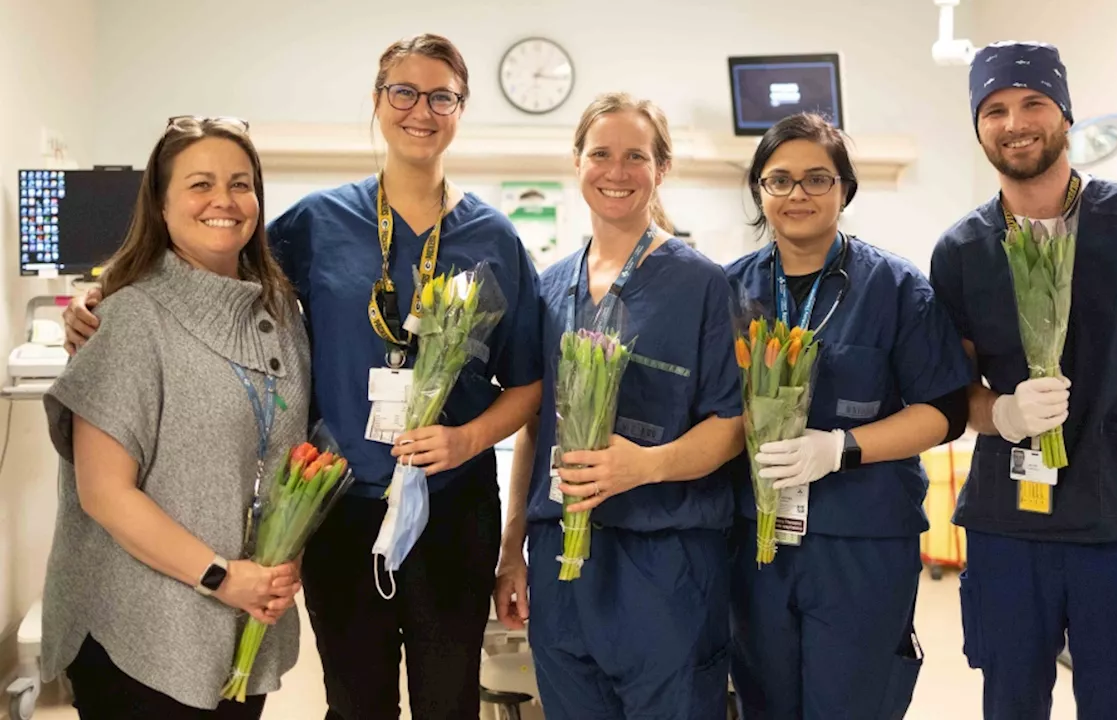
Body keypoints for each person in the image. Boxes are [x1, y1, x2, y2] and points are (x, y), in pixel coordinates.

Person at [61, 33, 544, 720]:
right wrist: (99, 295)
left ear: (461, 109)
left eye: (442, 96)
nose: (421, 110)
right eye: (403, 92)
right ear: (379, 102)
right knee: (354, 699)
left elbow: (527, 385)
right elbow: (214, 261)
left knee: (449, 699)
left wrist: (467, 441)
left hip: (451, 508)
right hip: (340, 505)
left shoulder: (494, 238)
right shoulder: (319, 223)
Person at [928, 41, 1117, 720]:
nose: (1015, 121)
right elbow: (955, 395)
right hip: (1012, 525)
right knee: (1010, 703)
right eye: (995, 108)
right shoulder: (961, 250)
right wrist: (1000, 413)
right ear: (978, 126)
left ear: (1065, 113)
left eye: (1034, 102)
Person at [42, 116, 307, 718]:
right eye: (200, 184)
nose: (224, 200)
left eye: (241, 183)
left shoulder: (283, 316)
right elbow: (104, 493)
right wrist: (220, 577)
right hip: (139, 630)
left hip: (242, 625)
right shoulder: (131, 317)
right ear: (161, 206)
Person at [492, 92, 743, 720]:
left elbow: (731, 425)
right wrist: (511, 548)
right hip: (561, 562)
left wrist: (644, 466)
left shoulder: (701, 284)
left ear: (661, 168)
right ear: (576, 162)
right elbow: (533, 430)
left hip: (665, 561)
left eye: (637, 156)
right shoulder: (548, 288)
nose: (617, 171)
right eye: (600, 153)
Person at [721, 112, 972, 720]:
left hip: (862, 542)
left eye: (816, 179)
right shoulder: (726, 291)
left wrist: (840, 447)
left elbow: (944, 412)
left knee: (852, 702)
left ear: (844, 190)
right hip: (756, 544)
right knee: (766, 701)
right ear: (759, 191)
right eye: (779, 180)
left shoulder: (897, 289)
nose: (797, 194)